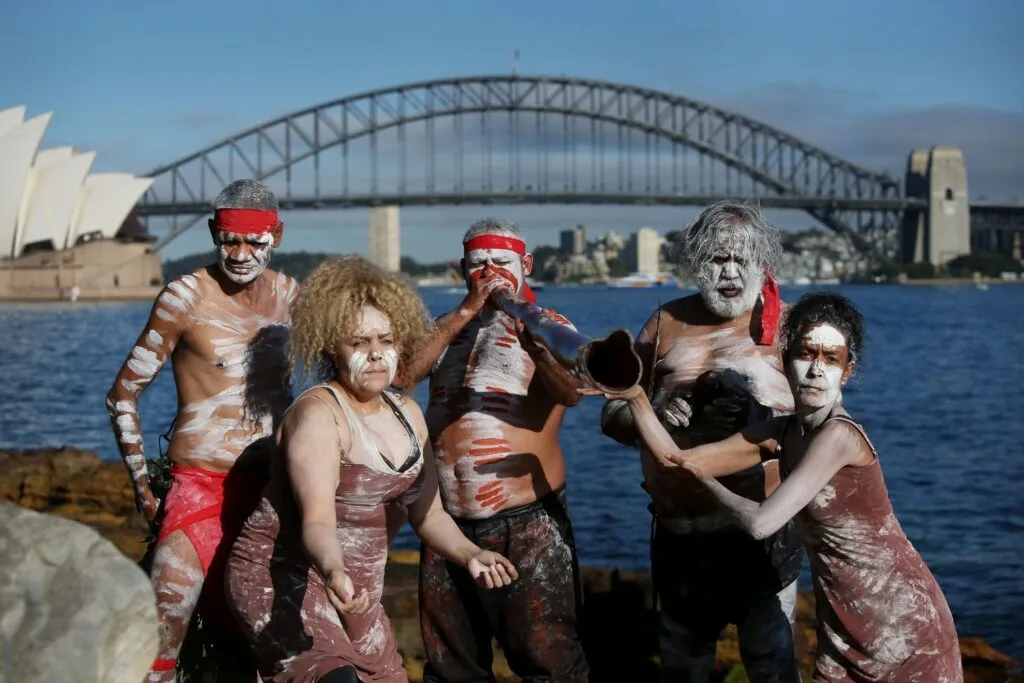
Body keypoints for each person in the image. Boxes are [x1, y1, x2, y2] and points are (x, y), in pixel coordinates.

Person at [596, 292, 962, 683]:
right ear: (785, 361)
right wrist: (635, 396)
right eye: (807, 354)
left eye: (831, 359)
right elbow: (675, 457)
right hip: (843, 610)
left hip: (894, 610)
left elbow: (760, 524)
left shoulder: (839, 437)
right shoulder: (782, 433)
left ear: (847, 373)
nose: (816, 370)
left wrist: (702, 478)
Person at [225, 256, 518, 683]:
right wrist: (334, 571)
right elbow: (319, 520)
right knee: (334, 676)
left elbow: (429, 514)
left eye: (386, 339)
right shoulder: (319, 416)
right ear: (331, 346)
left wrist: (470, 554)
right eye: (359, 342)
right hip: (287, 574)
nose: (377, 353)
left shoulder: (409, 413)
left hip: (357, 587)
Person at [599, 200, 804, 682]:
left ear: (763, 263)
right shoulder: (666, 323)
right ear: (695, 263)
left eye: (742, 260)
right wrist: (653, 411)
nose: (730, 272)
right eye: (717, 260)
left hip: (764, 539)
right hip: (682, 538)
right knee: (683, 669)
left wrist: (762, 414)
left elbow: (825, 426)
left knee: (772, 666)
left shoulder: (790, 329)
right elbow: (611, 413)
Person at [105, 179, 299, 681]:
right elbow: (122, 394)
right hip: (198, 490)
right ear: (214, 231)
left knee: (268, 647)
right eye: (228, 239)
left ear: (276, 234)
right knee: (161, 637)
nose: (240, 253)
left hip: (274, 496)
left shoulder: (292, 297)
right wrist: (144, 489)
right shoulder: (184, 297)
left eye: (254, 241)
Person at [390, 218, 590, 683]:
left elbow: (571, 394)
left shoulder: (551, 326)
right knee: (451, 662)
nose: (489, 274)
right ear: (462, 270)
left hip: (527, 519)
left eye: (501, 263)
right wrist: (464, 312)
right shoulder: (446, 329)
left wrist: (537, 349)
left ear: (526, 265)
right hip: (448, 521)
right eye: (477, 265)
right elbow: (402, 377)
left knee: (549, 659)